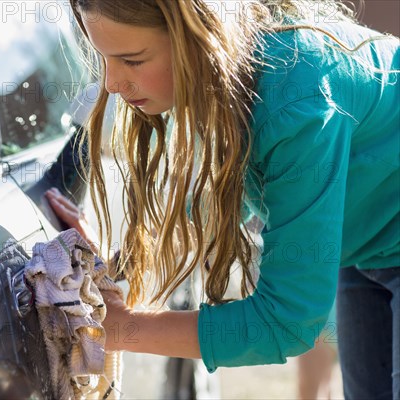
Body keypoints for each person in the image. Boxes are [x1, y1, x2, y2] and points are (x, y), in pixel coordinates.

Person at [45, 0, 399, 398]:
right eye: (103, 58)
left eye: (132, 60)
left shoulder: (299, 99)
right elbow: (210, 209)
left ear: (199, 40)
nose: (110, 82)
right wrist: (108, 266)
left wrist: (120, 328)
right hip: (370, 247)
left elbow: (285, 322)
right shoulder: (223, 76)